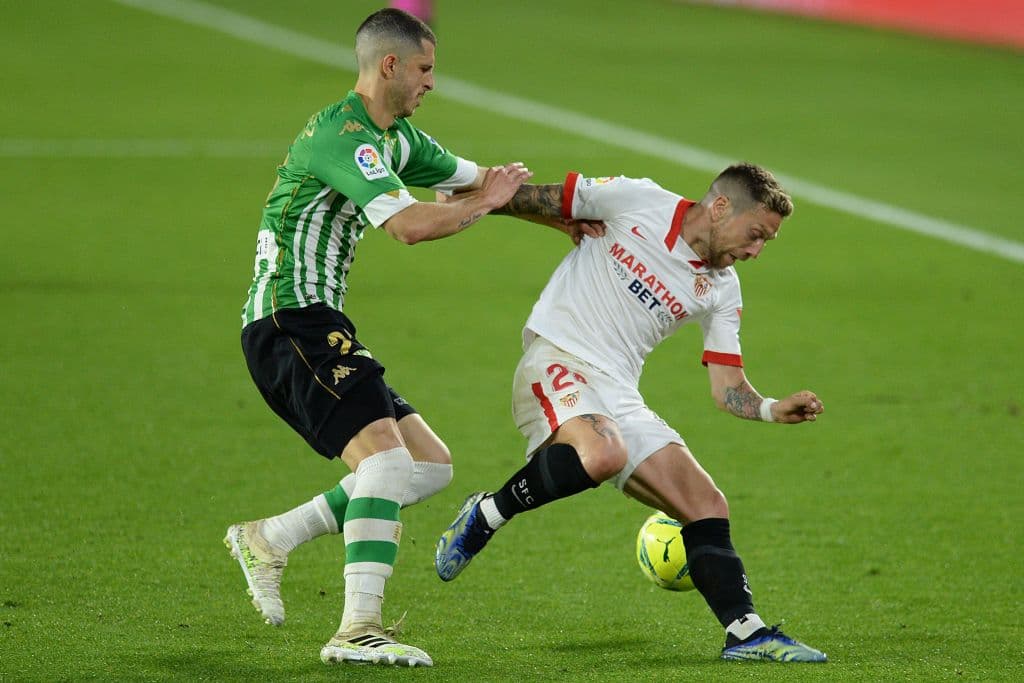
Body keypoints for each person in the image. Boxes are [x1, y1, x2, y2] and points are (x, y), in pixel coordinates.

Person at [225, 8, 597, 668]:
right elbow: (409, 227)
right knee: (386, 464)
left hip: (315, 322)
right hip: (290, 320)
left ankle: (270, 536)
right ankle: (356, 626)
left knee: (427, 466)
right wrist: (482, 205)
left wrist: (559, 222)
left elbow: (484, 182)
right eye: (425, 69)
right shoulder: (346, 136)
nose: (432, 82)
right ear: (389, 65)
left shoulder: (398, 138)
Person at [435, 164, 830, 663]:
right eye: (756, 235)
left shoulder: (722, 288)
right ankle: (487, 513)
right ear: (721, 206)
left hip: (618, 392)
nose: (756, 251)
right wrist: (465, 190)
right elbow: (537, 197)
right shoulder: (637, 200)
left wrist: (773, 409)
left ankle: (746, 633)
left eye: (766, 243)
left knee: (707, 503)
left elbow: (728, 388)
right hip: (559, 357)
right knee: (603, 452)